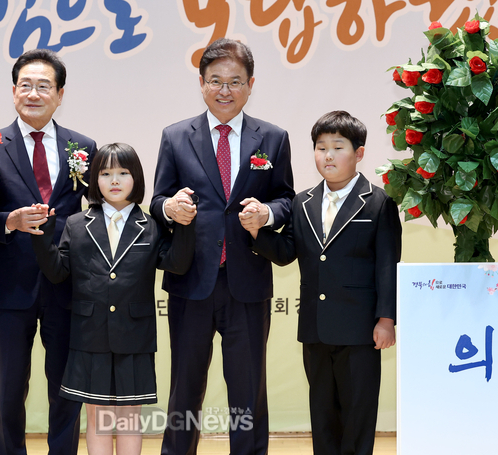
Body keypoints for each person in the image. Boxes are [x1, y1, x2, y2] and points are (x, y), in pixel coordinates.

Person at [149, 38, 294, 455]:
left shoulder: (273, 138)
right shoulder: (176, 136)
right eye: (215, 81)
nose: (224, 90)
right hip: (191, 279)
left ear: (251, 85)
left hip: (246, 280)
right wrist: (170, 208)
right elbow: (157, 200)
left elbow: (286, 199)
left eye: (235, 81)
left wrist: (266, 215)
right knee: (184, 390)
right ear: (201, 83)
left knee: (248, 390)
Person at [0, 49, 97, 455]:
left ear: (60, 94)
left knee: (66, 390)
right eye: (26, 85)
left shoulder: (83, 146)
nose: (34, 94)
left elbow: (98, 213)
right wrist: (10, 220)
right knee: (8, 391)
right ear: (13, 91)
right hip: (9, 286)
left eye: (44, 86)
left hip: (67, 284)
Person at [245, 111, 402, 455]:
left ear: (359, 153)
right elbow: (286, 252)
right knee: (323, 414)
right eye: (321, 147)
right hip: (315, 328)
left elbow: (387, 266)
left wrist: (386, 319)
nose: (328, 155)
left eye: (338, 147)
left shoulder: (379, 202)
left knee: (358, 414)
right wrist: (257, 231)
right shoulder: (302, 202)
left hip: (360, 328)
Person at [30, 143, 196, 455]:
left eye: (123, 173)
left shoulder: (152, 224)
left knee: (130, 419)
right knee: (98, 419)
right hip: (89, 334)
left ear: (137, 179)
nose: (115, 180)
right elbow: (57, 272)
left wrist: (185, 225)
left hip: (135, 335)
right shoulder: (77, 224)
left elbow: (177, 263)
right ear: (94, 179)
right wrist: (42, 238)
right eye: (105, 173)